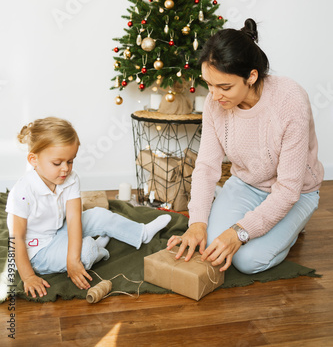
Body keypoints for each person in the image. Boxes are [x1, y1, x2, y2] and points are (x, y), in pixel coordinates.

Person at [167, 18, 323, 274]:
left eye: (224, 87)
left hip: (297, 193)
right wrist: (196, 223)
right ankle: (258, 224)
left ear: (251, 76)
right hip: (245, 186)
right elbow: (206, 167)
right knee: (212, 246)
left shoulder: (290, 100)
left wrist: (238, 232)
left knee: (248, 261)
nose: (214, 96)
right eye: (209, 85)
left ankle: (292, 230)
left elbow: (288, 190)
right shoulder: (214, 103)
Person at [6, 117, 171, 298]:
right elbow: (17, 239)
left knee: (100, 215)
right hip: (39, 252)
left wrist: (72, 258)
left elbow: (74, 219)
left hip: (59, 231)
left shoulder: (70, 179)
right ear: (33, 160)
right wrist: (29, 276)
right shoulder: (21, 193)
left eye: (70, 161)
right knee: (86, 251)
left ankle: (140, 233)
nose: (65, 169)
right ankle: (97, 250)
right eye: (57, 163)